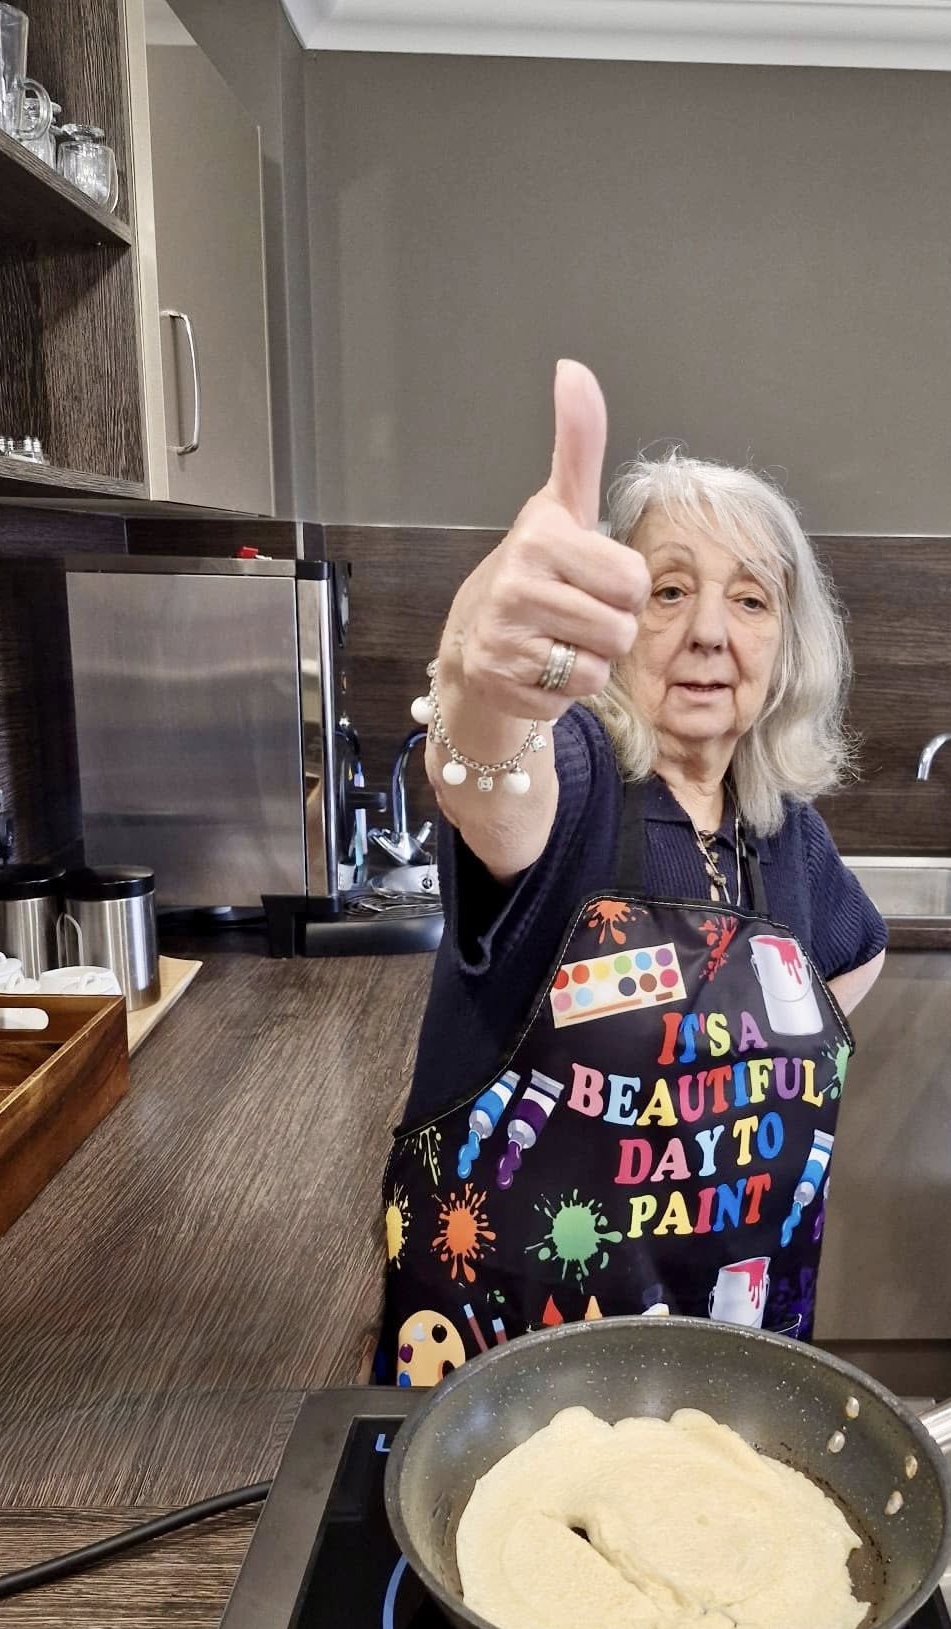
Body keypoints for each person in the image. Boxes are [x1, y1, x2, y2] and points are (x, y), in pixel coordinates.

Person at [377, 361, 886, 1386]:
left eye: (751, 599)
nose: (710, 632)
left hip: (725, 1372)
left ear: (787, 646)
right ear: (610, 619)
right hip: (508, 1380)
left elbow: (858, 956)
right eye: (670, 591)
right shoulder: (578, 776)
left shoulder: (785, 833)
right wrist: (480, 677)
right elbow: (488, 778)